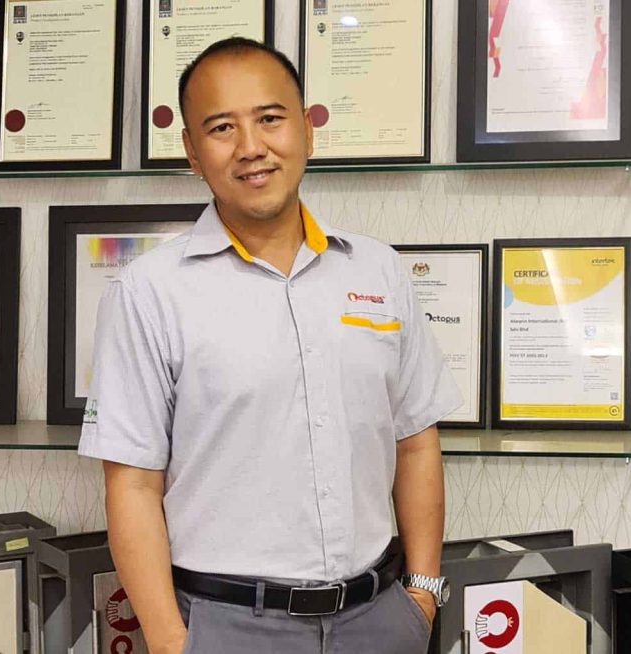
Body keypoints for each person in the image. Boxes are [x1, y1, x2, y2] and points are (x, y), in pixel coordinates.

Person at [78, 37, 460, 654]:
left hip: (381, 621)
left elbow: (415, 443)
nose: (251, 147)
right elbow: (131, 487)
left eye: (270, 119)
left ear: (308, 130)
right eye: (221, 127)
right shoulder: (148, 292)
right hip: (226, 627)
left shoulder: (379, 272)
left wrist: (421, 595)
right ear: (193, 154)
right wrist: (172, 642)